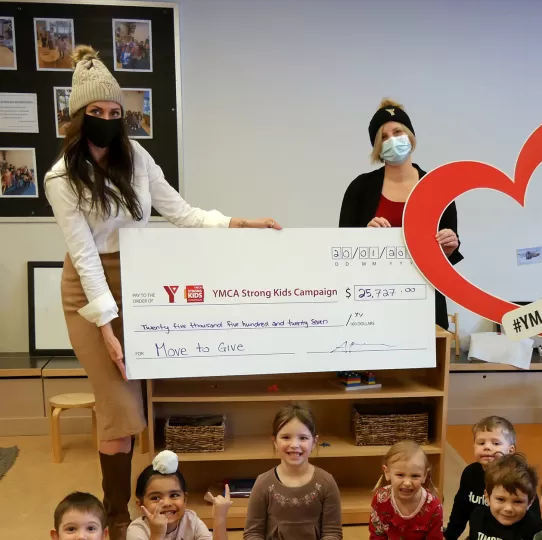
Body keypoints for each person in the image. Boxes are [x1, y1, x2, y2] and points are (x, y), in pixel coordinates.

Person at [44, 44, 281, 540]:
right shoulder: (61, 177)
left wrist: (238, 222)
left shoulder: (138, 158)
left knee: (150, 397)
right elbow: (86, 257)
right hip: (89, 293)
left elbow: (182, 212)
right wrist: (107, 328)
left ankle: (156, 506)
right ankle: (112, 517)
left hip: (143, 279)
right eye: (97, 112)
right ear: (78, 117)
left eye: (114, 112)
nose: (108, 119)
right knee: (119, 407)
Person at [339, 98, 462, 330]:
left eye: (397, 132)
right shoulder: (360, 188)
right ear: (376, 146)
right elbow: (342, 251)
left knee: (426, 366)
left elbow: (449, 255)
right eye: (383, 137)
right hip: (372, 302)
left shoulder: (437, 188)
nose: (392, 140)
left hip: (425, 302)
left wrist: (449, 247)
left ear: (410, 136)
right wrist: (364, 239)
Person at [243, 405, 343, 540]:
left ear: (314, 442)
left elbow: (332, 533)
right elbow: (253, 533)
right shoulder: (263, 483)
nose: (294, 444)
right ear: (274, 442)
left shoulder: (327, 482)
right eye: (286, 437)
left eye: (303, 438)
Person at [445, 416, 541, 540]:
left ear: (511, 450)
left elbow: (534, 522)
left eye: (496, 443)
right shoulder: (470, 473)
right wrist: (449, 536)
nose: (487, 447)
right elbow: (460, 509)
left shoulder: (520, 479)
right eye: (481, 443)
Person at [127, 450, 232, 539]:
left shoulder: (191, 521)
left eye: (174, 495)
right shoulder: (137, 530)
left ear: (185, 499)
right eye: (156, 498)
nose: (167, 503)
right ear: (140, 505)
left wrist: (220, 518)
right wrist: (156, 535)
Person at [369, 440, 443, 539]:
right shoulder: (380, 499)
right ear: (387, 472)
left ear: (424, 475)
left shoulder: (434, 507)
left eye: (415, 476)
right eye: (400, 475)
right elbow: (376, 535)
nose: (407, 483)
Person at [468, 454, 542, 540]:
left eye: (517, 501)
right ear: (487, 497)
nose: (508, 508)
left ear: (530, 502)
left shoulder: (537, 530)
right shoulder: (478, 516)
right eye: (501, 499)